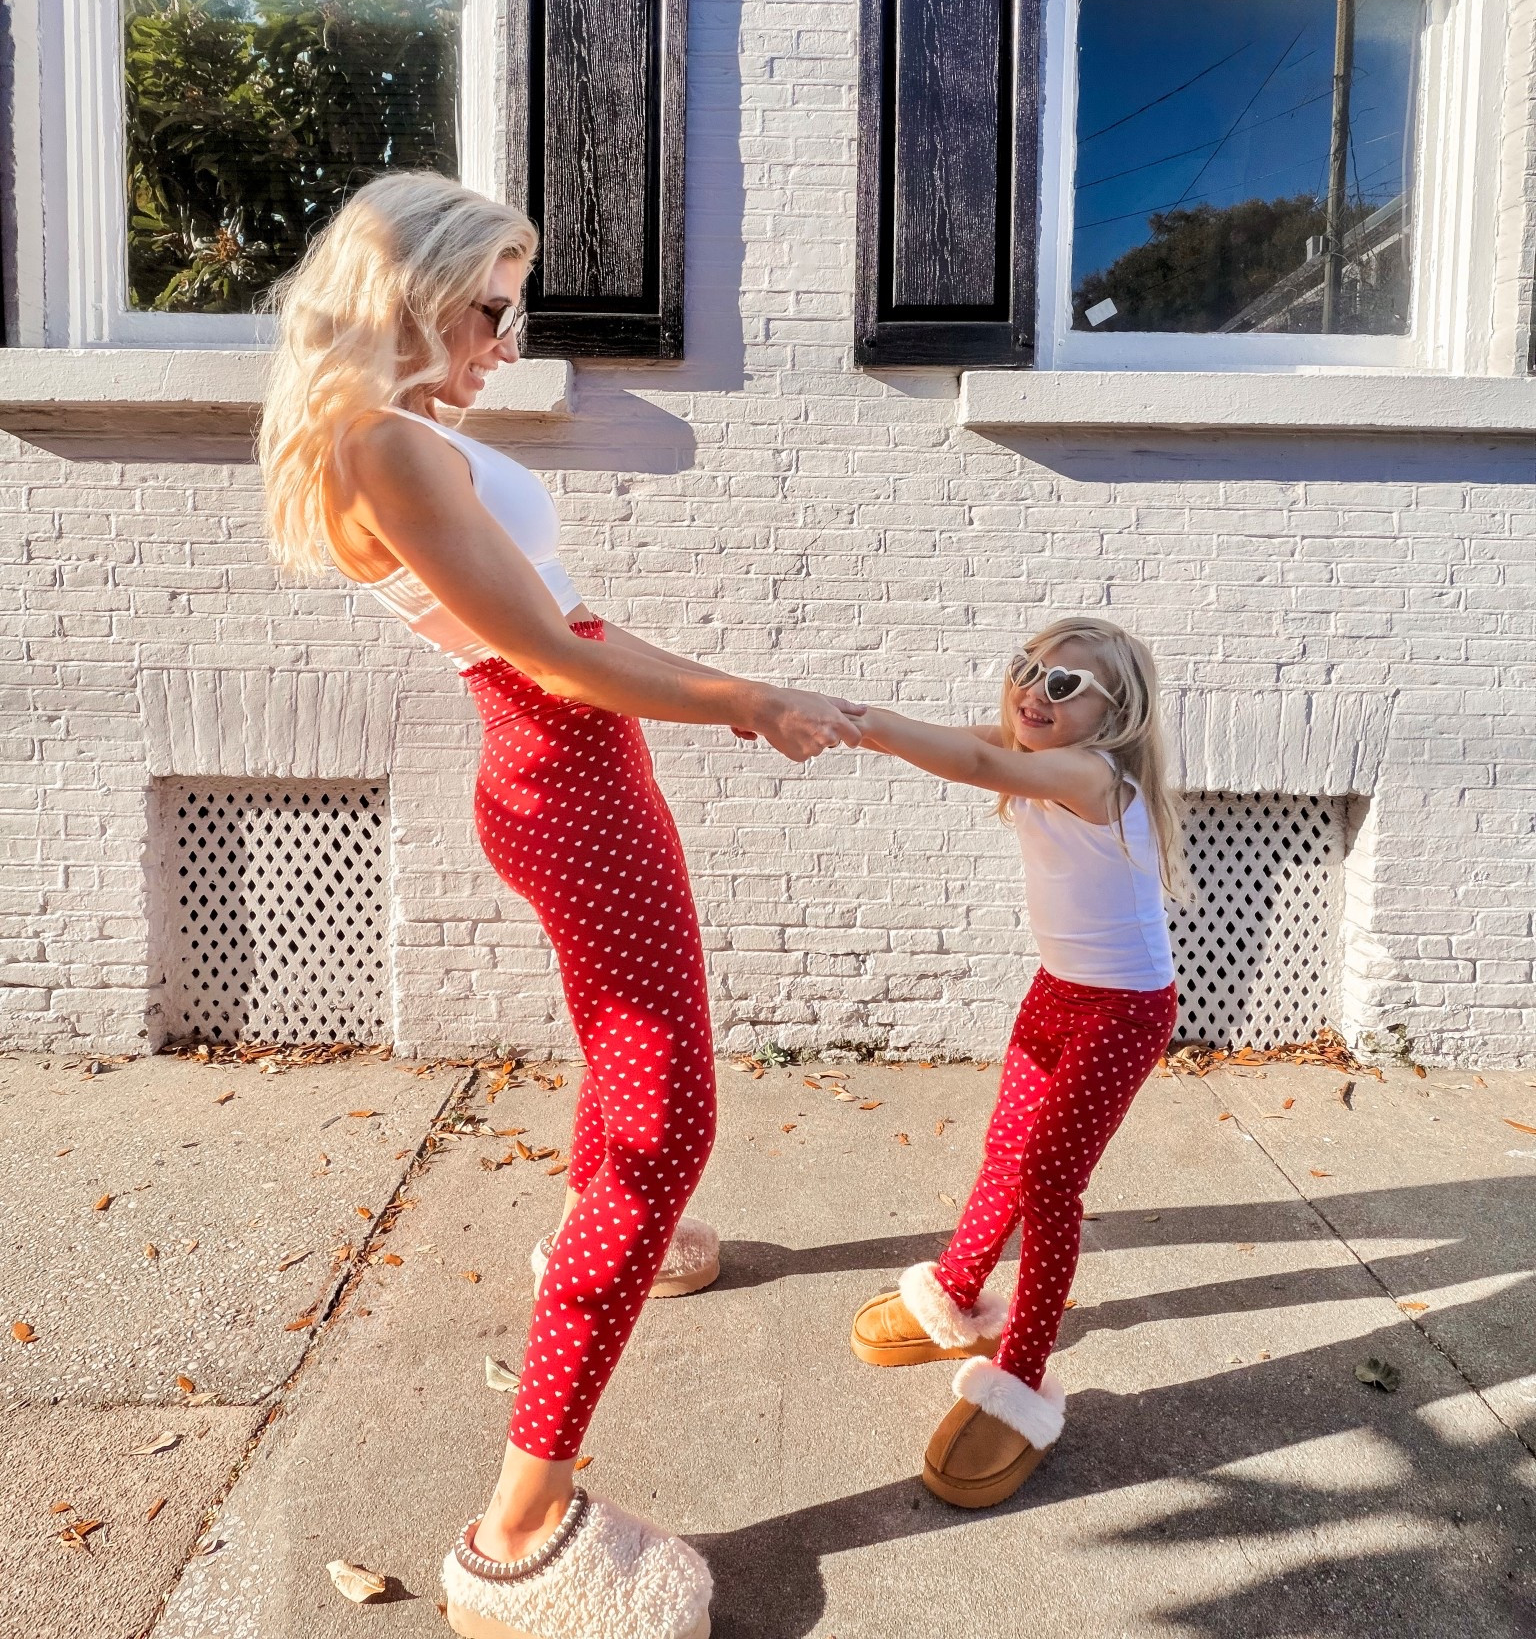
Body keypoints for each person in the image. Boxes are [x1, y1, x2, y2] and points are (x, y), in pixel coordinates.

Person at [259, 172, 862, 1639]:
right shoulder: (383, 447)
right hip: (569, 783)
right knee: (667, 1126)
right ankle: (518, 1538)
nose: (504, 345)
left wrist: (730, 692)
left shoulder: (399, 439)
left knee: (626, 1063)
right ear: (408, 292)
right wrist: (750, 705)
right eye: (487, 308)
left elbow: (574, 622)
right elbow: (553, 652)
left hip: (569, 775)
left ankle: (624, 1246)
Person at [847, 617, 1182, 1509]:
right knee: (1007, 1148)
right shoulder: (1038, 745)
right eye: (1029, 670)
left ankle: (1023, 1373)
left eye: (1065, 685)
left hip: (1125, 1008)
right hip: (1060, 989)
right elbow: (976, 743)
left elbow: (986, 766)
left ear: (1115, 715)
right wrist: (836, 715)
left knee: (1048, 1182)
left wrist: (859, 719)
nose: (1036, 691)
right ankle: (957, 1291)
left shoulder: (1091, 772)